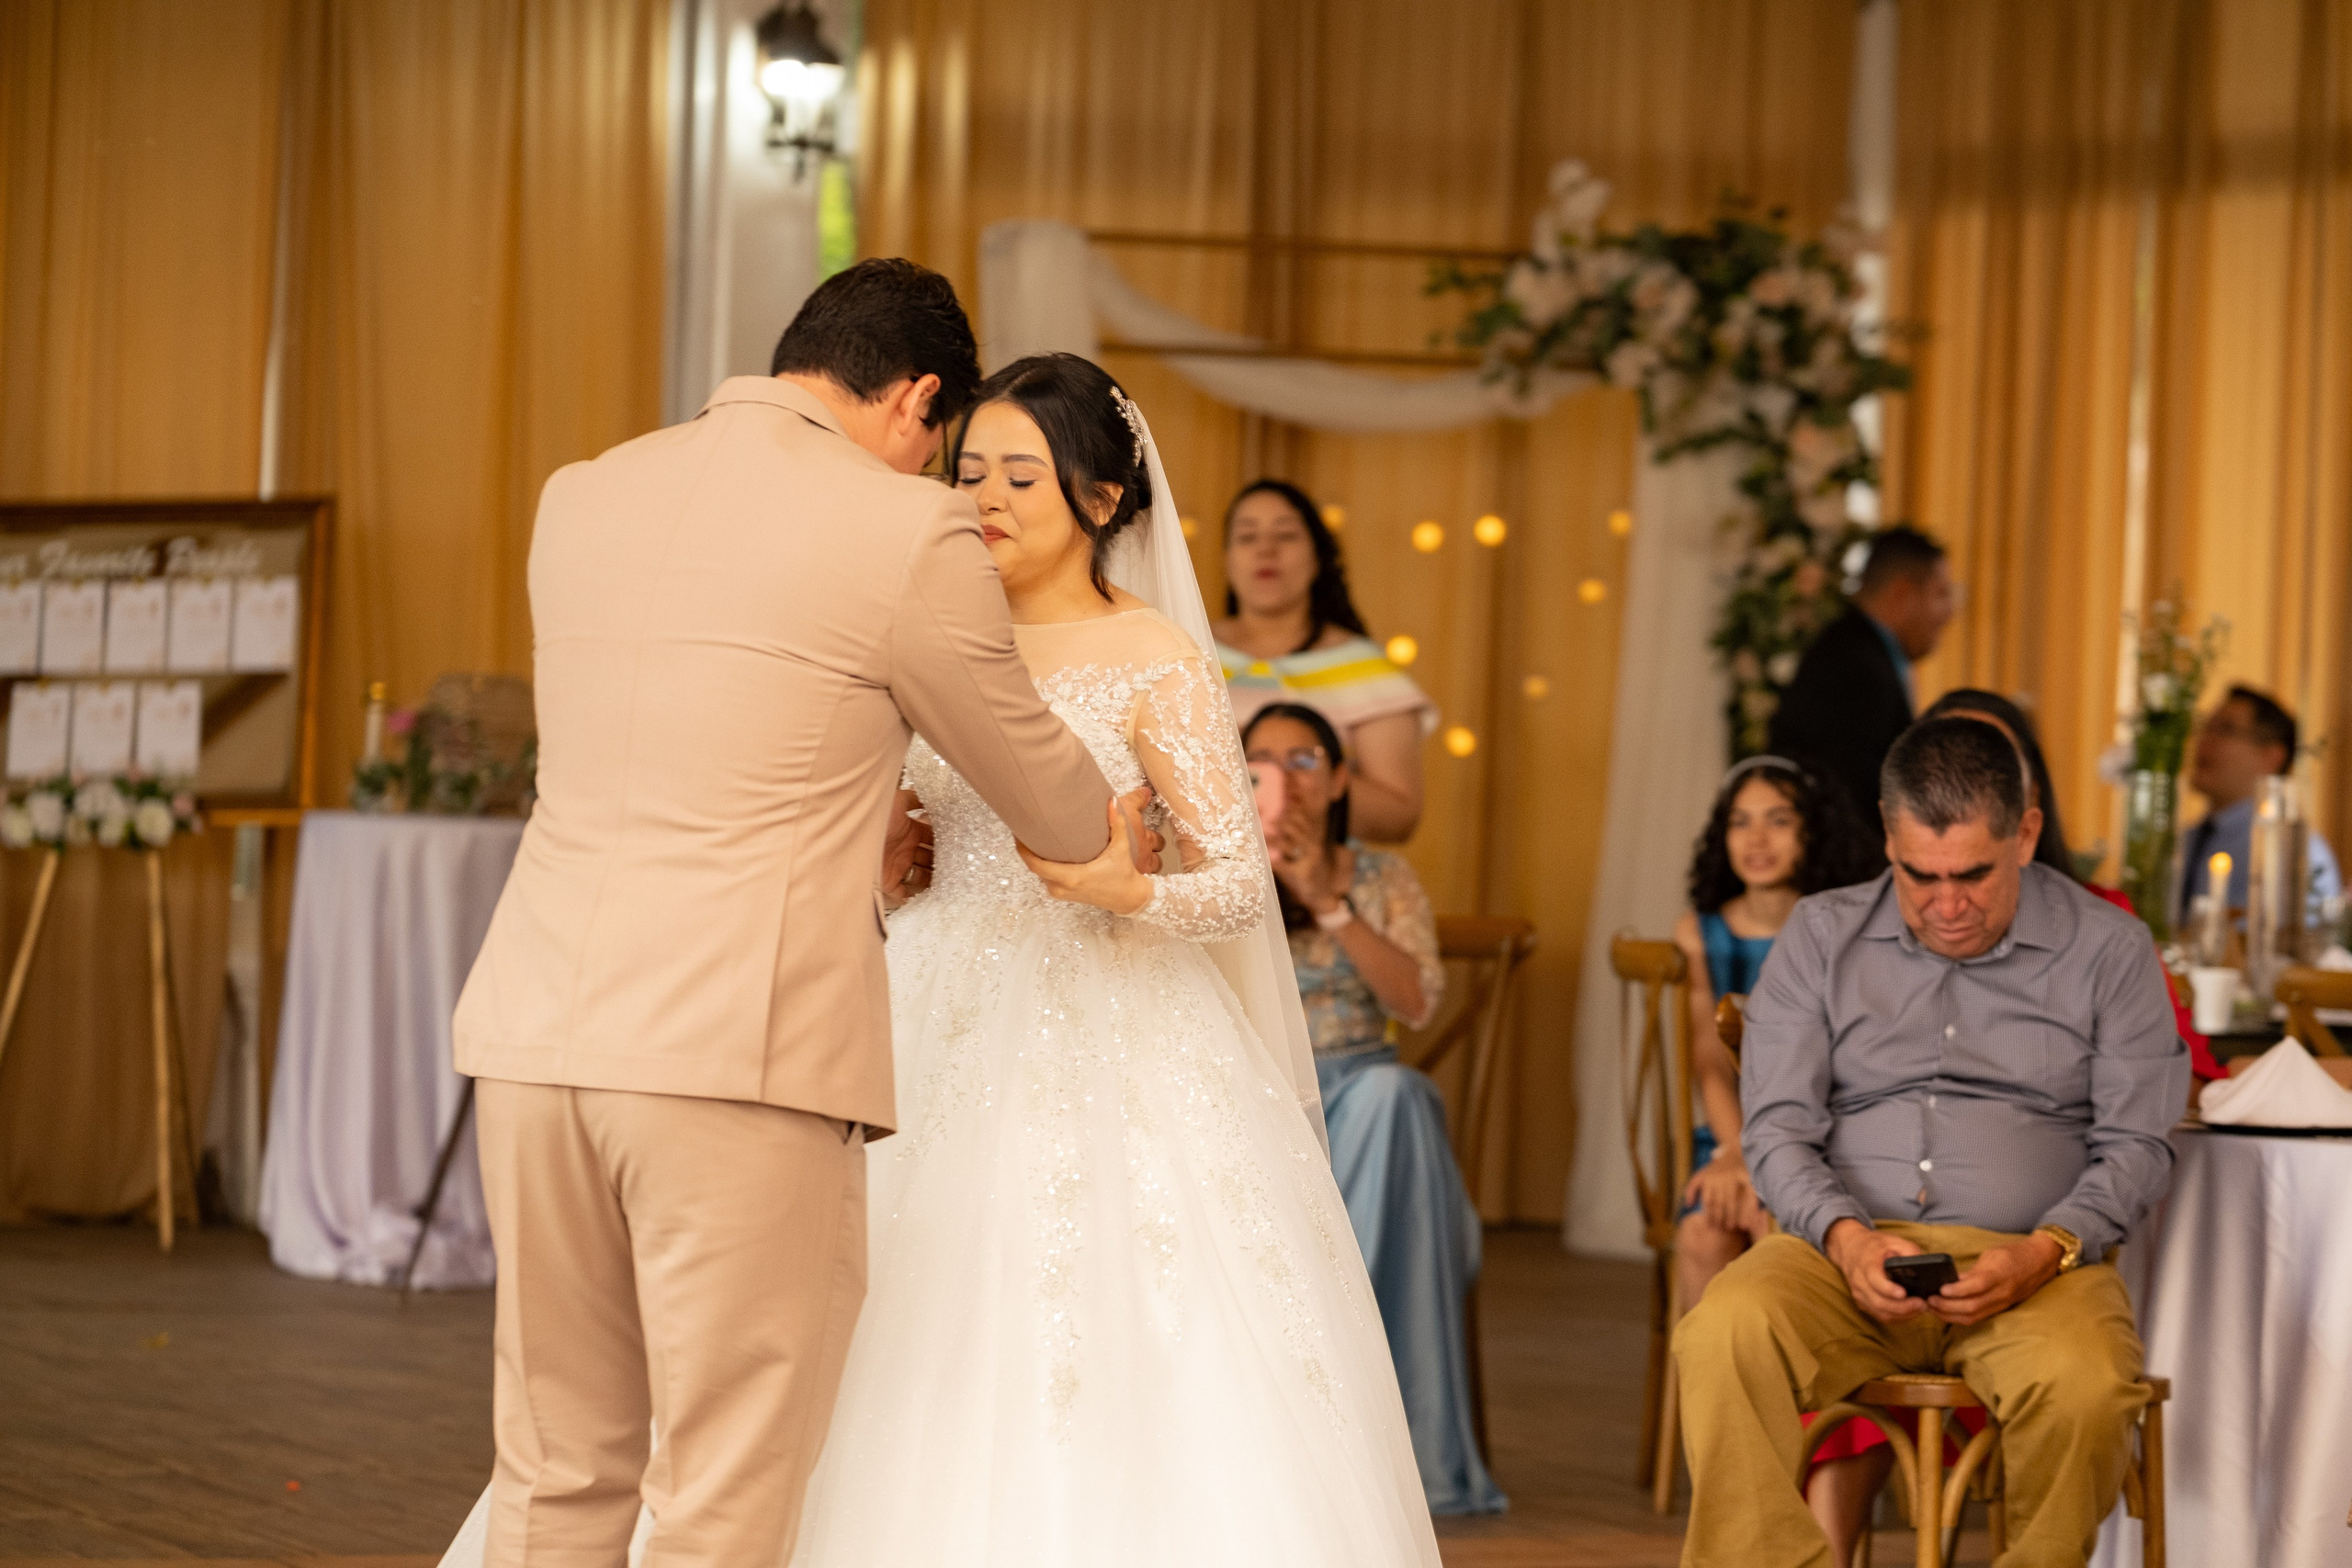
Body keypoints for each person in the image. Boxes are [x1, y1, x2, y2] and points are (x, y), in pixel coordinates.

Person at [446, 353, 1443, 1567]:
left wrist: (1133, 885)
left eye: (1024, 473)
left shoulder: (1158, 656)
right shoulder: (917, 617)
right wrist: (884, 862)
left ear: (1104, 498)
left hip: (1113, 1016)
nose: (987, 495)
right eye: (970, 467)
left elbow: (1240, 880)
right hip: (913, 999)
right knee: (803, 1325)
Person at [443, 260, 1120, 1568]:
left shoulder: (581, 495)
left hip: (535, 1036)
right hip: (732, 1057)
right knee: (723, 1486)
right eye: (944, 449)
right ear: (920, 399)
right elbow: (1040, 782)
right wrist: (1112, 827)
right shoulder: (899, 530)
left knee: (555, 1462)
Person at [1673, 716, 2189, 1568]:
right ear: (1887, 836)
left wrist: (2044, 1252)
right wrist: (1845, 1238)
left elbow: (2138, 1142)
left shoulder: (2111, 949)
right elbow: (1777, 1129)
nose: (1947, 905)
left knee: (2088, 1385)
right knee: (1722, 1332)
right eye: (1920, 876)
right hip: (1840, 1255)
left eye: (1974, 875)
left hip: (2034, 1265)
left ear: (2024, 833)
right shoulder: (1821, 933)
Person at [1242, 700, 1504, 1517]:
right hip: (1254, 1103)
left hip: (1363, 1096)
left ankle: (1384, 1441)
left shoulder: (1384, 878)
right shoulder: (1218, 867)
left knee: (1398, 1098)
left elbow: (1418, 1001)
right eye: (1263, 762)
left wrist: (1328, 901)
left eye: (1307, 760)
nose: (1286, 779)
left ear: (1343, 777)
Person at [1670, 756, 1872, 1314]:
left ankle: (1802, 1398)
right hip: (1729, 1132)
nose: (1756, 838)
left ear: (1814, 829)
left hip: (1821, 1137)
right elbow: (1710, 1062)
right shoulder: (1701, 933)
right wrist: (1736, 1151)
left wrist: (1772, 1162)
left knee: (1777, 1229)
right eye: (1740, 821)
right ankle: (1707, 1399)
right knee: (1703, 1233)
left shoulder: (1844, 927)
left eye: (1779, 820)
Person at [1215, 479, 1436, 842]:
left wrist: (1294, 782)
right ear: (1227, 560)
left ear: (1318, 556)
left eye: (1286, 535)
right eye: (1247, 537)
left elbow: (1400, 816)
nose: (1266, 550)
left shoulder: (1363, 668)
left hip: (1316, 882)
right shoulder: (1185, 651)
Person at [1768, 525, 1957, 859]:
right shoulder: (1853, 666)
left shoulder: (1857, 650)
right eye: (1940, 594)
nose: (1949, 613)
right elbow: (1852, 793)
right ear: (1902, 594)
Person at [2177, 683, 2342, 920]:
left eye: (2225, 729)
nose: (2204, 739)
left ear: (2271, 756)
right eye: (2206, 726)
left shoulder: (2295, 852)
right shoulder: (2188, 839)